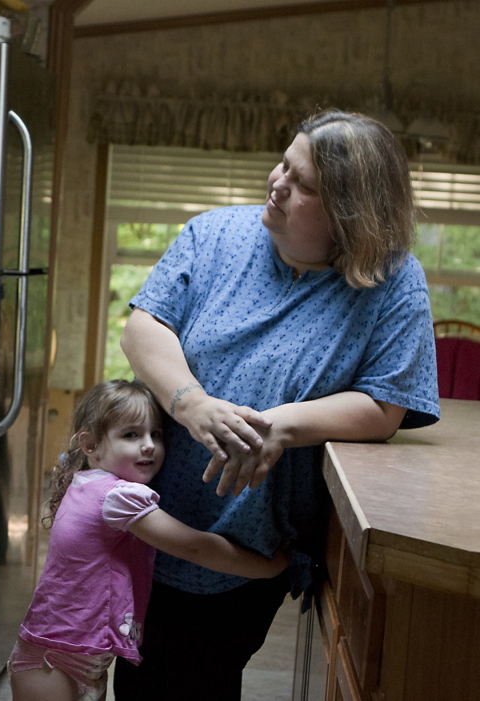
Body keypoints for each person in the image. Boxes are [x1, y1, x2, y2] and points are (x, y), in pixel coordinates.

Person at [114, 109, 440, 700]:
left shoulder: (393, 281)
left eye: (303, 184)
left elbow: (385, 405)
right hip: (150, 507)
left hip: (248, 537)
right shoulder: (214, 234)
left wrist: (282, 426)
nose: (277, 182)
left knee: (192, 672)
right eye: (283, 164)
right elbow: (142, 328)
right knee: (141, 671)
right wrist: (193, 405)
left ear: (350, 214)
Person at [8, 379, 290, 701]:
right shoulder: (117, 497)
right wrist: (269, 568)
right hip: (53, 659)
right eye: (131, 435)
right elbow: (194, 546)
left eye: (155, 434)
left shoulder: (88, 483)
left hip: (77, 656)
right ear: (90, 446)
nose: (148, 445)